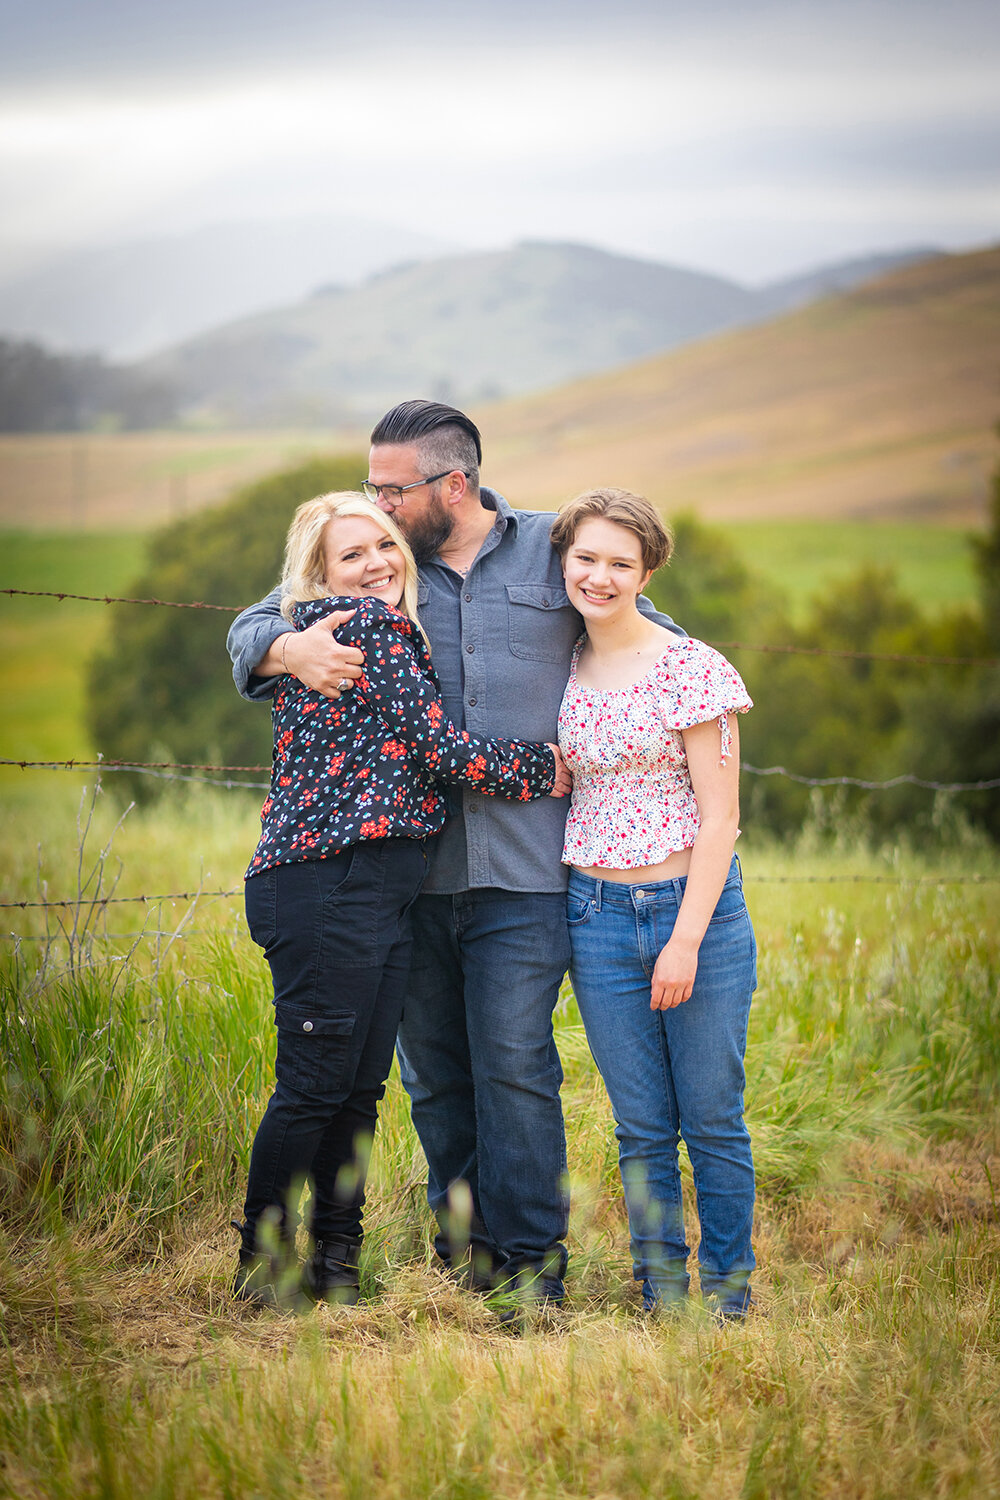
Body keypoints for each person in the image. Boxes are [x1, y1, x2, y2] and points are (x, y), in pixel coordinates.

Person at [228, 401, 684, 1306]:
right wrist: (284, 646)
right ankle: (463, 1261)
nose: (378, 506)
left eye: (392, 489)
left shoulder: (556, 548)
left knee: (515, 1063)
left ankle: (527, 1274)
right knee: (432, 1074)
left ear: (454, 485)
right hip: (407, 877)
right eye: (371, 489)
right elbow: (256, 622)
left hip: (526, 868)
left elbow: (647, 629)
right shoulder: (372, 570)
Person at [234, 490, 566, 1308]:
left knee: (355, 1088)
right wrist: (539, 767)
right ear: (318, 575)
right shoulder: (364, 627)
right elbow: (433, 744)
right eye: (353, 554)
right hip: (329, 883)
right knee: (315, 1086)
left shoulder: (371, 627)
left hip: (375, 889)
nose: (378, 562)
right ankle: (263, 1270)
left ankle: (336, 1268)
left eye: (385, 545)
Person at [550, 487, 757, 1319]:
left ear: (647, 572)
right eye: (586, 558)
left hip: (690, 913)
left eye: (619, 564)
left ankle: (730, 1296)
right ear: (565, 558)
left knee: (711, 1121)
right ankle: (663, 1296)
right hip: (595, 917)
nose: (599, 577)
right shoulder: (563, 661)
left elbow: (723, 819)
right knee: (641, 1126)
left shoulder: (690, 666)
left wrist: (685, 941)